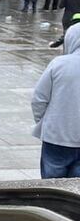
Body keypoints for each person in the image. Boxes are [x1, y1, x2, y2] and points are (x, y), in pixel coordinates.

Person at [31, 24, 80, 177]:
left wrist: (45, 122)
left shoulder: (58, 64)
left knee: (52, 185)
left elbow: (39, 99)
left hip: (56, 137)